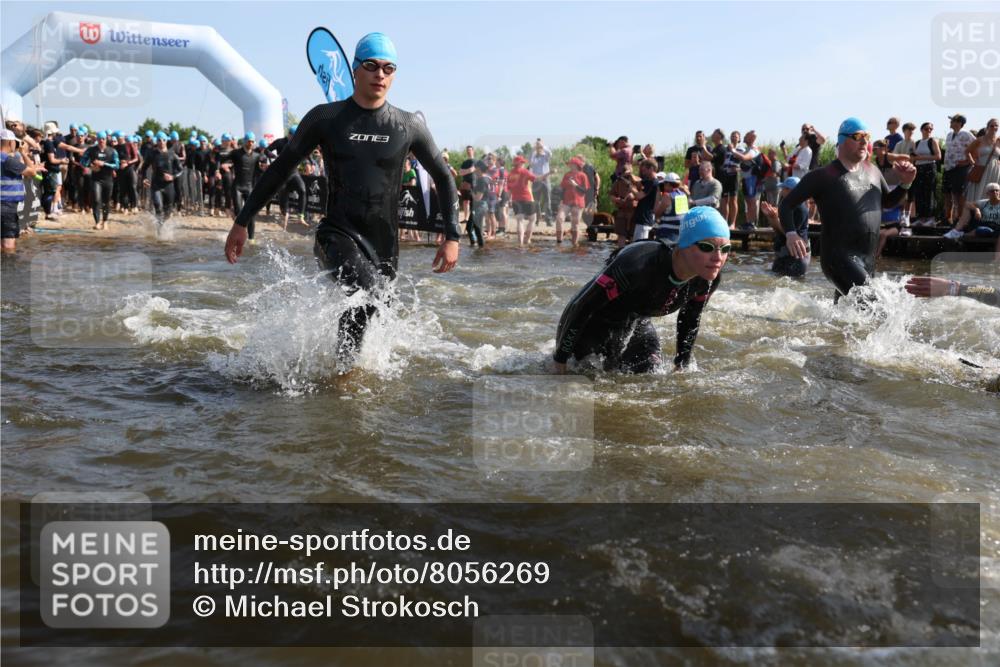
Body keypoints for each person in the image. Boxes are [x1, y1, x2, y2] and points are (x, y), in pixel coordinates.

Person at [224, 32, 460, 359]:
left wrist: (453, 236)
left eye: (388, 68)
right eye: (371, 65)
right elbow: (280, 169)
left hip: (385, 244)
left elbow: (445, 177)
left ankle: (336, 365)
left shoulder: (407, 125)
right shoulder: (326, 118)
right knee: (366, 294)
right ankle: (343, 373)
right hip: (336, 233)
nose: (380, 74)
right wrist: (241, 221)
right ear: (355, 70)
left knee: (377, 303)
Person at [552, 206, 729, 374]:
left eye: (726, 249)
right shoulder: (638, 263)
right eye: (707, 247)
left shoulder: (707, 278)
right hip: (591, 323)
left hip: (636, 322)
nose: (718, 258)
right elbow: (582, 306)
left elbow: (690, 319)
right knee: (589, 378)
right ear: (684, 244)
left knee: (651, 375)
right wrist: (560, 359)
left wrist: (681, 364)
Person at [778, 117, 916, 301]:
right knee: (876, 309)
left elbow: (888, 202)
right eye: (857, 136)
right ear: (842, 141)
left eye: (867, 136)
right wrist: (791, 233)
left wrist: (905, 184)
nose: (864, 141)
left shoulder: (873, 171)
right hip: (838, 259)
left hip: (867, 259)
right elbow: (787, 205)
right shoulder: (823, 175)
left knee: (848, 317)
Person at [2, 128, 46, 253]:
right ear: (11, 143)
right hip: (6, 207)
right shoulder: (8, 160)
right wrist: (22, 152)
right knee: (8, 246)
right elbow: (31, 171)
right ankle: (8, 270)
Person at [761, 176, 810, 277]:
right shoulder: (786, 206)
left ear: (791, 191)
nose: (782, 191)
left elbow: (792, 237)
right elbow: (778, 230)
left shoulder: (800, 209)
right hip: (783, 255)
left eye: (784, 188)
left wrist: (775, 219)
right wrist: (771, 217)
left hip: (796, 258)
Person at [80, 131, 120, 230]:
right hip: (96, 179)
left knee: (106, 202)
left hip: (108, 179)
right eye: (100, 139)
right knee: (97, 200)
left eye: (103, 139)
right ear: (97, 139)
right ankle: (97, 222)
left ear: (106, 140)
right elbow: (82, 161)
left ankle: (105, 221)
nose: (101, 141)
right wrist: (90, 166)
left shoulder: (112, 151)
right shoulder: (91, 150)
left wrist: (104, 164)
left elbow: (117, 165)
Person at [140, 133, 184, 223]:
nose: (161, 142)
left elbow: (181, 170)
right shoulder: (152, 154)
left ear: (166, 141)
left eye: (163, 140)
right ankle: (159, 231)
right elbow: (143, 168)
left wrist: (172, 176)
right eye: (159, 140)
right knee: (158, 207)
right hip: (156, 185)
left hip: (169, 186)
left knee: (168, 212)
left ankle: (161, 225)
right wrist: (144, 178)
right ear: (157, 141)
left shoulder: (172, 155)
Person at [942, 114, 975, 225]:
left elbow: (977, 147)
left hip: (960, 168)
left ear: (959, 123)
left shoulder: (966, 134)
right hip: (948, 168)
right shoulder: (949, 134)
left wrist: (968, 162)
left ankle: (959, 218)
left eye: (953, 120)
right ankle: (948, 218)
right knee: (947, 193)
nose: (950, 122)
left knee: (959, 194)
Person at [910, 122, 941, 226]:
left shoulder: (932, 141)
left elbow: (938, 156)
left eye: (931, 129)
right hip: (918, 168)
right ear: (921, 130)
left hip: (929, 168)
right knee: (919, 192)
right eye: (926, 129)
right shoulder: (917, 142)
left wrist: (920, 158)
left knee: (929, 192)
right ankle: (921, 217)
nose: (929, 131)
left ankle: (930, 217)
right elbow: (914, 157)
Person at [965, 118, 1000, 204]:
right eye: (992, 125)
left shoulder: (999, 141)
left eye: (996, 126)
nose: (994, 127)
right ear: (987, 127)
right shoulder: (980, 140)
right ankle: (976, 212)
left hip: (995, 170)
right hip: (982, 168)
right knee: (980, 190)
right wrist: (972, 162)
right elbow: (967, 151)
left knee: (994, 192)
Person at [556, 157, 589, 245]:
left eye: (571, 163)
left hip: (578, 202)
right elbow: (562, 189)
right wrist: (560, 201)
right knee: (559, 218)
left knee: (575, 224)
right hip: (566, 202)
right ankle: (559, 242)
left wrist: (575, 185)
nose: (569, 165)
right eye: (569, 164)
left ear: (576, 165)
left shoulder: (583, 175)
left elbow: (585, 190)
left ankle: (574, 244)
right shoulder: (567, 175)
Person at [507, 154, 536, 246]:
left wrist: (508, 200)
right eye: (523, 162)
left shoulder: (510, 174)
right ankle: (527, 240)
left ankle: (520, 242)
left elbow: (509, 189)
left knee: (519, 220)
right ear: (521, 163)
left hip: (515, 199)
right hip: (527, 198)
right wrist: (548, 174)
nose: (524, 164)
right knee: (532, 219)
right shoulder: (525, 172)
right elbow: (536, 179)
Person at [652, 172, 689, 243]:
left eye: (664, 184)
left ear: (668, 184)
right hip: (680, 233)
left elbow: (656, 213)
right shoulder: (683, 195)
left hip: (667, 234)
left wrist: (658, 194)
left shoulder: (668, 197)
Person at [610, 162, 639, 248]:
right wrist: (616, 199)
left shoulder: (637, 180)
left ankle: (631, 252)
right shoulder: (618, 181)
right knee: (621, 234)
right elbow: (611, 194)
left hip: (634, 212)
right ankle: (620, 252)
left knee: (633, 234)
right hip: (622, 211)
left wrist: (634, 195)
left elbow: (643, 193)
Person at [631, 159, 659, 242]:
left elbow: (639, 196)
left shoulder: (652, 182)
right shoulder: (650, 181)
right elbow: (639, 181)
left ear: (651, 168)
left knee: (639, 247)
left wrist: (631, 188)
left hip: (645, 220)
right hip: (643, 220)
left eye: (644, 170)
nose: (643, 173)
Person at [467, 159, 489, 248]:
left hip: (480, 206)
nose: (474, 169)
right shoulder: (481, 179)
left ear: (479, 169)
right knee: (470, 227)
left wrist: (470, 190)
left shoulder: (482, 180)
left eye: (475, 168)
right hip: (478, 206)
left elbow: (478, 198)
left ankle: (481, 248)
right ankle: (476, 247)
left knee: (478, 228)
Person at [530, 139, 552, 224]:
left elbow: (550, 154)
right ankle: (537, 218)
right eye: (537, 146)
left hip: (545, 179)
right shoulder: (533, 157)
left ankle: (548, 219)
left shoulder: (545, 156)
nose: (538, 148)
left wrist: (543, 146)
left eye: (539, 146)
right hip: (536, 180)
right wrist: (534, 149)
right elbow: (530, 163)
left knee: (548, 200)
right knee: (536, 201)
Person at [458, 145, 475, 223]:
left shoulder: (476, 161)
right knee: (465, 201)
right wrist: (468, 171)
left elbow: (472, 170)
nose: (468, 151)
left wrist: (465, 171)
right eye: (467, 150)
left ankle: (473, 219)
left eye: (470, 150)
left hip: (474, 184)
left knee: (474, 202)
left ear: (473, 151)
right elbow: (460, 173)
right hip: (465, 184)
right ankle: (466, 218)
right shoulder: (465, 162)